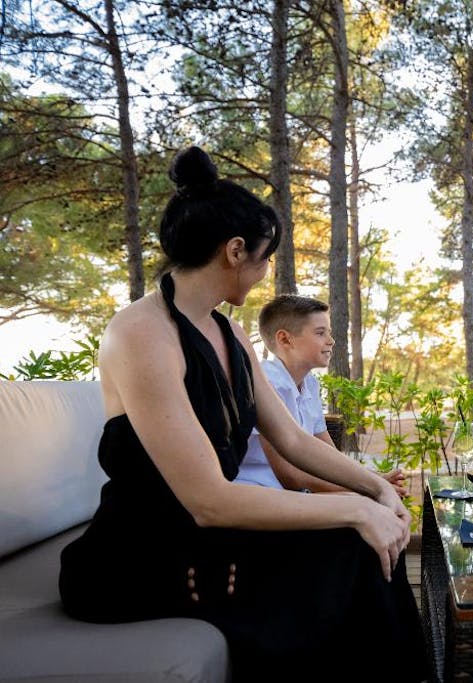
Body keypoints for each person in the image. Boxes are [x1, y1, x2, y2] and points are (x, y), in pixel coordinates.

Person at [58, 146, 426, 681]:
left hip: (211, 537)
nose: (264, 271)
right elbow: (208, 501)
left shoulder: (229, 332)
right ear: (235, 251)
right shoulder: (140, 333)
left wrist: (375, 492)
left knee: (359, 543)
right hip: (141, 558)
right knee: (348, 550)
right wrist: (354, 509)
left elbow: (293, 441)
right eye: (264, 257)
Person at [236, 294, 406, 496]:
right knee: (370, 504)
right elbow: (290, 476)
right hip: (256, 491)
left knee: (376, 502)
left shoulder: (310, 383)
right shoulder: (267, 384)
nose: (331, 341)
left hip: (291, 494)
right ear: (285, 339)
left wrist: (375, 478)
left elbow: (330, 456)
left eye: (329, 333)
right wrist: (370, 489)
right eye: (320, 333)